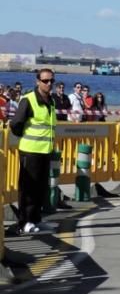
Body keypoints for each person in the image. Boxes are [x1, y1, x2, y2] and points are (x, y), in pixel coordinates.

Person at [8, 69, 57, 236]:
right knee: (28, 188)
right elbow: (15, 124)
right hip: (30, 151)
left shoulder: (51, 100)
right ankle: (24, 222)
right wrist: (25, 137)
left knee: (41, 188)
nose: (49, 84)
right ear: (38, 82)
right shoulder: (28, 100)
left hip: (45, 151)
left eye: (51, 81)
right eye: (45, 81)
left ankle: (36, 219)